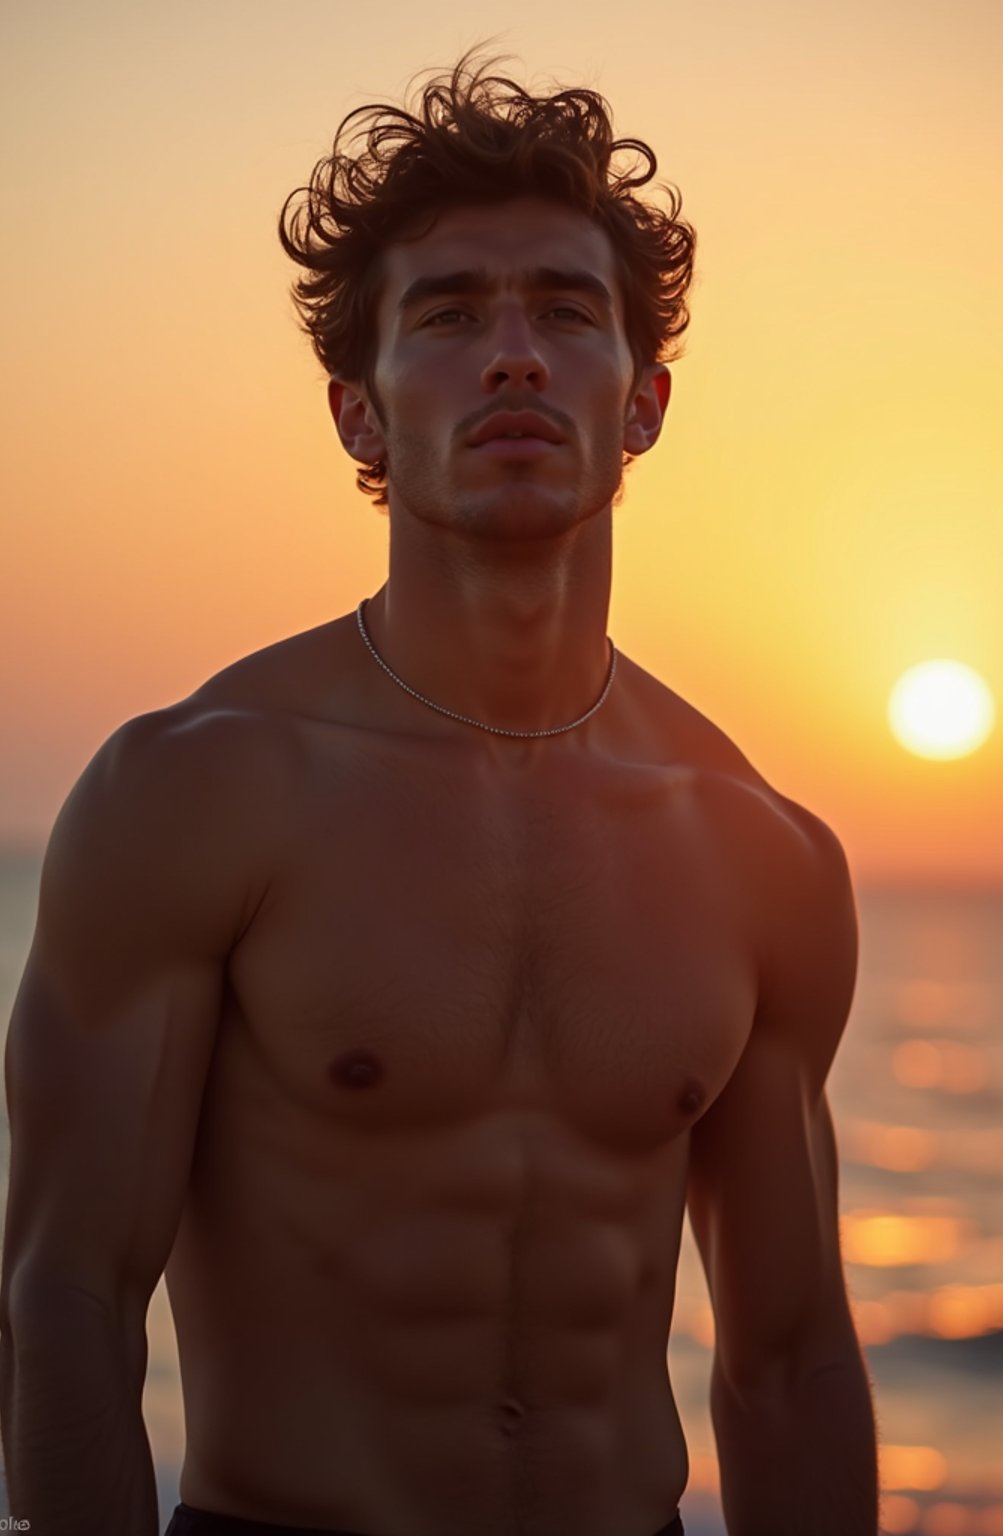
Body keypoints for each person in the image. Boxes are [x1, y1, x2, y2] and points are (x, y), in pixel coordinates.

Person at [0, 43, 879, 1536]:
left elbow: (788, 1363)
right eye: (451, 314)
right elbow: (63, 1304)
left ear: (645, 399)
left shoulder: (761, 854)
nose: (516, 354)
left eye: (566, 311)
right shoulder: (198, 796)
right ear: (361, 413)